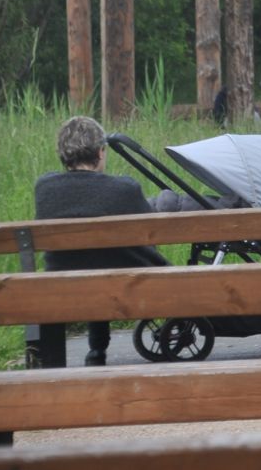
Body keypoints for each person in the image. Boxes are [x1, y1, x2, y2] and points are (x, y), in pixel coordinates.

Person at [31, 116, 171, 366]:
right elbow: (148, 238)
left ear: (62, 154)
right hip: (125, 288)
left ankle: (94, 350)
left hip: (62, 289)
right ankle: (97, 348)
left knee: (92, 265)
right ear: (100, 152)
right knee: (107, 265)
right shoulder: (125, 189)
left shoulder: (44, 188)